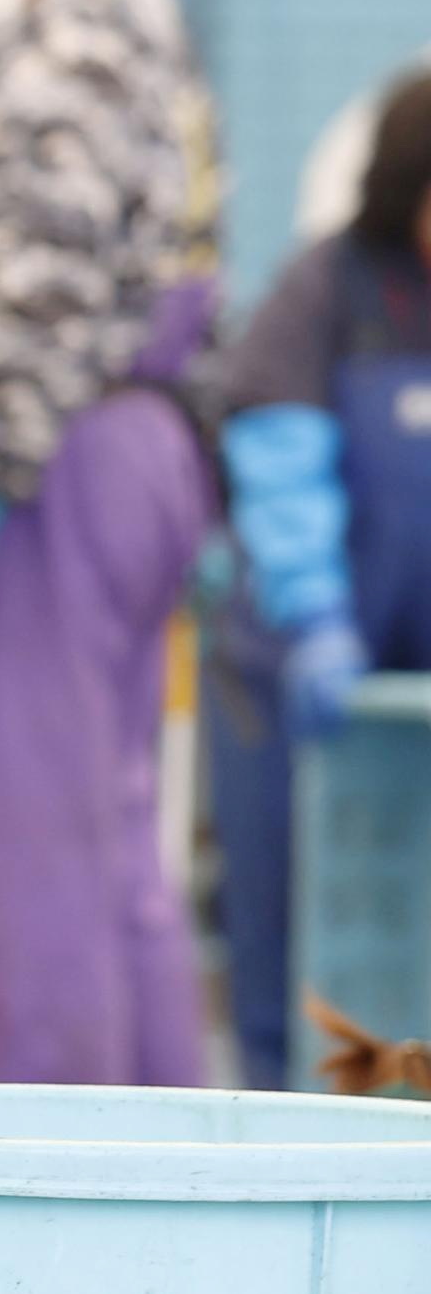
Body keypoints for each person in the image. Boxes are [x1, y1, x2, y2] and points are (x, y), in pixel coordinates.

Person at [0, 0, 220, 1086]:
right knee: (109, 852)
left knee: (25, 857)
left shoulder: (61, 56)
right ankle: (161, 1172)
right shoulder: (138, 52)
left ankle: (35, 1180)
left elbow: (43, 287)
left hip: (39, 472)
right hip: (109, 448)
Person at [203, 72, 431, 1089]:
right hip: (294, 682)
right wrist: (313, 614)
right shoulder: (324, 289)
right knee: (284, 948)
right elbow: (276, 457)